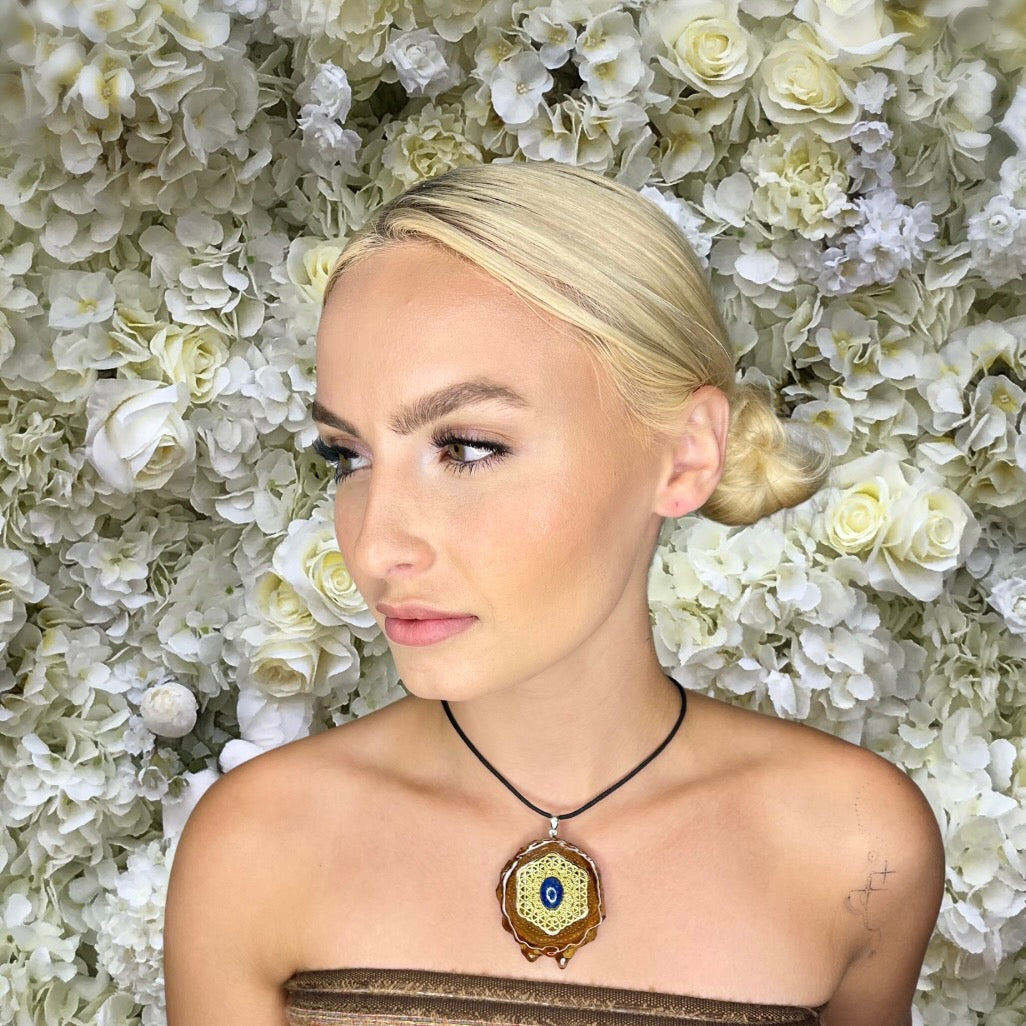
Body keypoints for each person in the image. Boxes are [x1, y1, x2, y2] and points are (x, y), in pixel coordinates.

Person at [163, 160, 945, 1026]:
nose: (378, 545)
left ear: (685, 456)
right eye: (346, 457)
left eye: (467, 447)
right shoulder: (259, 846)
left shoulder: (855, 846)